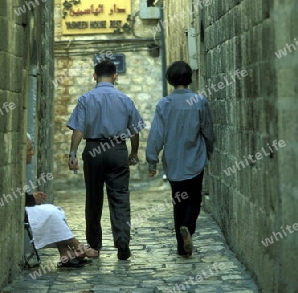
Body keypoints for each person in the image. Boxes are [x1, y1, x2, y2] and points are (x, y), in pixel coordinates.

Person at [67, 60, 145, 260]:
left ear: (94, 76)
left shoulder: (86, 99)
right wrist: (133, 153)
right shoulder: (125, 100)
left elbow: (78, 129)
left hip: (93, 150)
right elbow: (135, 131)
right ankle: (122, 241)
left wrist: (73, 153)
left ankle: (94, 245)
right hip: (117, 149)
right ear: (115, 76)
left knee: (93, 199)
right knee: (120, 197)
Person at [146, 61, 214, 257]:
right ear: (189, 78)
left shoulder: (164, 104)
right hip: (195, 159)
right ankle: (188, 228)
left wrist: (152, 160)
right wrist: (210, 150)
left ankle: (180, 245)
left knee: (179, 200)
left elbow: (156, 135)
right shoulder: (199, 101)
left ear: (170, 80)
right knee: (194, 198)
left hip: (174, 162)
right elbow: (207, 130)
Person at [24, 135, 98, 268]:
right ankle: (77, 246)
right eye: (29, 149)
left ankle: (65, 253)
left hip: (24, 208)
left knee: (55, 211)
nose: (32, 153)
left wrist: (31, 197)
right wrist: (30, 198)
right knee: (51, 213)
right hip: (22, 210)